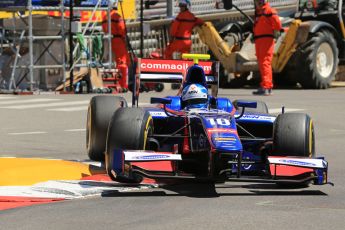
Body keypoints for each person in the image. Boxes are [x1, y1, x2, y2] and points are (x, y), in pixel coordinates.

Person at [252, 0, 282, 96]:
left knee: (265, 62)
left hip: (266, 39)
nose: (258, 3)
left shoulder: (269, 11)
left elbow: (277, 24)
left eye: (260, 1)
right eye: (257, 1)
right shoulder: (259, 12)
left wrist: (275, 31)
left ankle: (267, 86)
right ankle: (265, 85)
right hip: (259, 39)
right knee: (262, 62)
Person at [102, 3, 130, 89]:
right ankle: (123, 84)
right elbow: (121, 28)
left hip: (108, 39)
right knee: (122, 62)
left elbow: (104, 28)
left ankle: (112, 82)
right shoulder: (116, 16)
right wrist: (124, 37)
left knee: (111, 62)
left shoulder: (105, 17)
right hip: (118, 40)